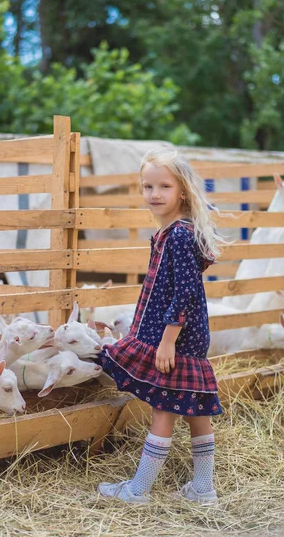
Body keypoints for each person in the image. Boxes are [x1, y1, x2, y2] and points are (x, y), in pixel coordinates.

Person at [96, 147, 224, 505]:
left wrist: (167, 341)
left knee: (163, 410)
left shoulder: (179, 236)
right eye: (147, 186)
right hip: (188, 338)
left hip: (175, 339)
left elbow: (183, 293)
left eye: (163, 186)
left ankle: (139, 490)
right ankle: (203, 488)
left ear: (182, 190)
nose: (154, 194)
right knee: (196, 411)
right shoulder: (174, 232)